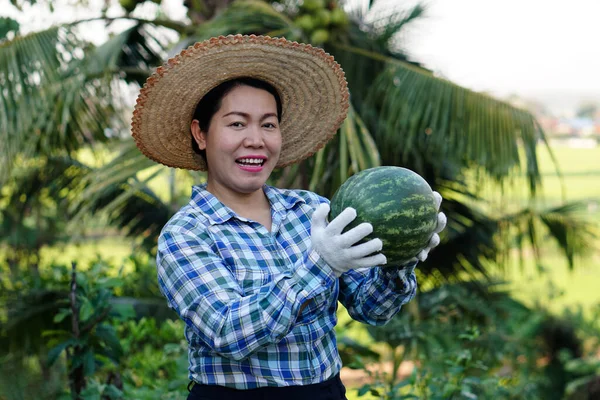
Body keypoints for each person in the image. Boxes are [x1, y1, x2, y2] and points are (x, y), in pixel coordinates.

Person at [131, 34, 446, 400]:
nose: (256, 140)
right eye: (237, 124)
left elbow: (371, 309)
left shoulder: (312, 210)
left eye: (268, 124)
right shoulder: (186, 234)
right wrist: (321, 265)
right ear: (201, 133)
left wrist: (399, 258)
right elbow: (227, 331)